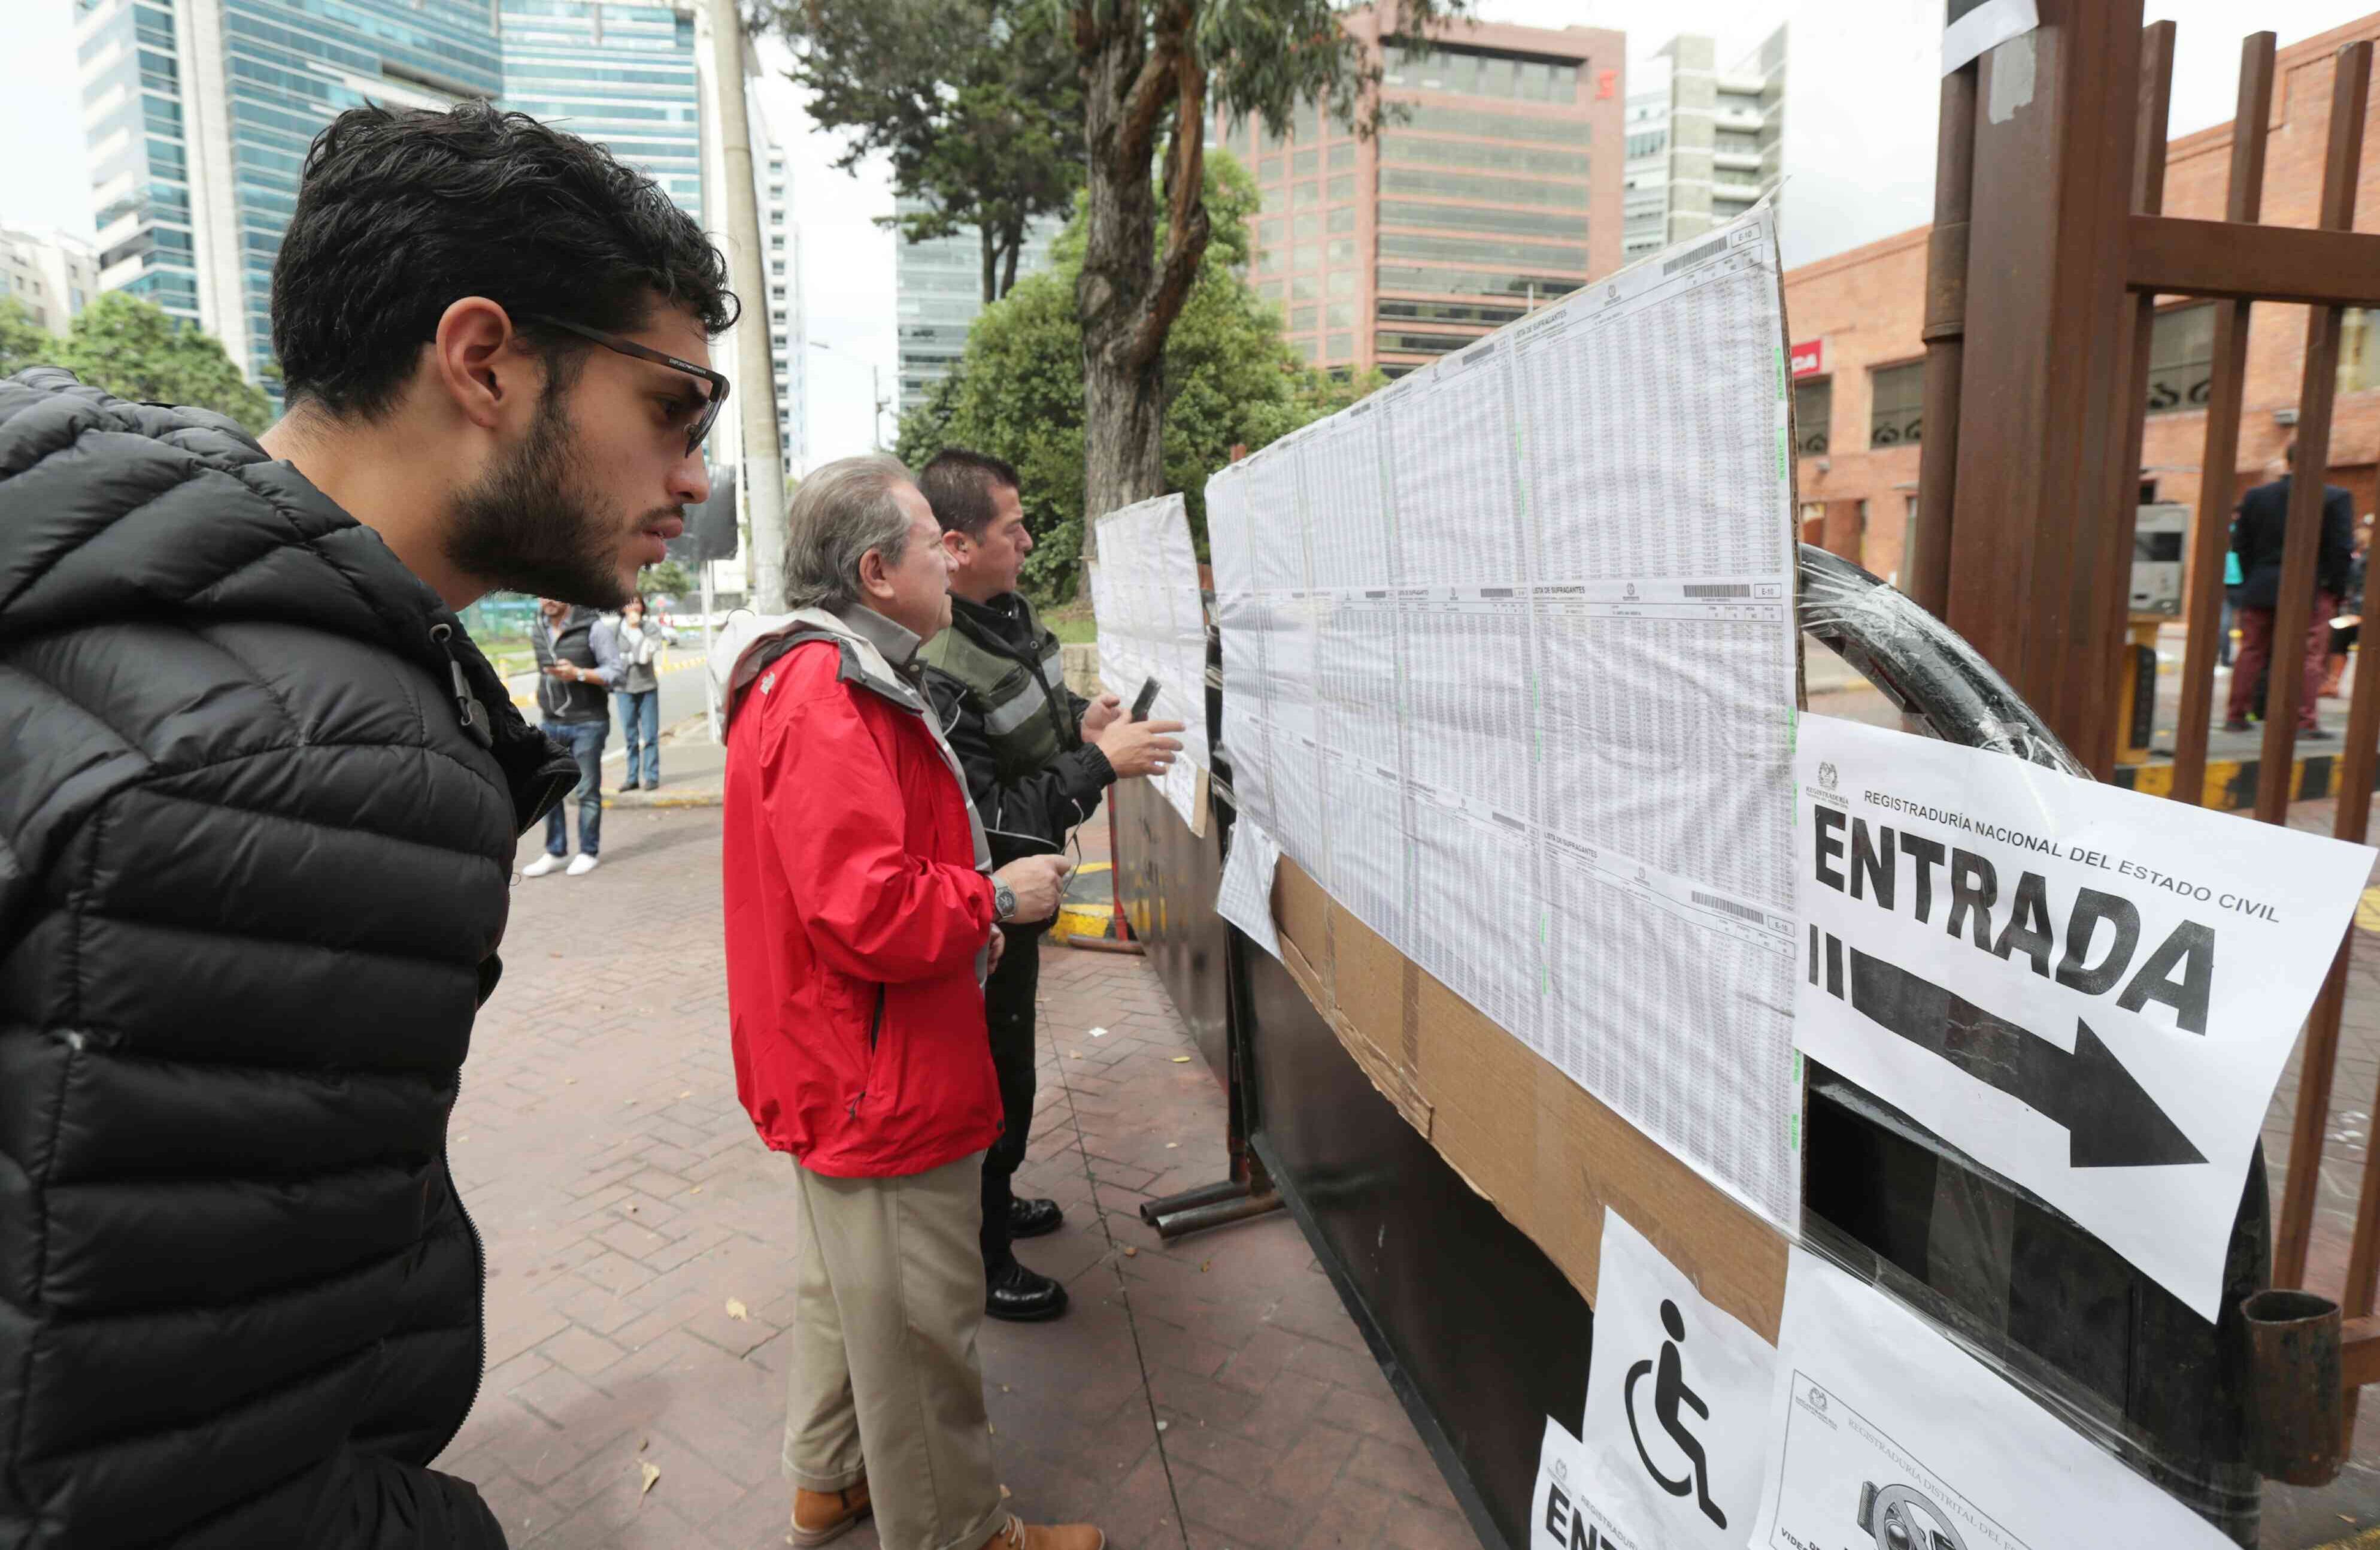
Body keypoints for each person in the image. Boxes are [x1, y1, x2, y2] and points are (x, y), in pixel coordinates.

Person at [0, 102, 730, 1546]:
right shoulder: (314, 765)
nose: (694, 477)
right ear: (483, 362)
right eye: (673, 407)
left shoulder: (106, 565)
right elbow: (163, 1485)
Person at [716, 455, 1102, 1550]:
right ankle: (959, 1532)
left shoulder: (826, 677)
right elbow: (866, 910)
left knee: (851, 1300)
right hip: (873, 1074)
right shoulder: (833, 694)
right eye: (936, 539)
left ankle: (831, 1479)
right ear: (879, 571)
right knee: (923, 1327)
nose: (956, 554)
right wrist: (994, 896)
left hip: (841, 1060)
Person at [915, 450, 1184, 1322]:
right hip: (987, 908)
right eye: (1012, 528)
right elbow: (985, 816)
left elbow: (1032, 722)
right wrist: (1096, 764)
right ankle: (983, 1254)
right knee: (991, 1081)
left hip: (1022, 910)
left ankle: (997, 1204)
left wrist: (1081, 724)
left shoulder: (1003, 617)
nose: (1028, 542)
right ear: (955, 546)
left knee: (1011, 1071)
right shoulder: (939, 663)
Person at [2226, 446, 2355, 738]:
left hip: (2262, 583)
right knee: (2308, 654)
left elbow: (2242, 544)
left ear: (2288, 461)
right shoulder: (2334, 497)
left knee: (2251, 651)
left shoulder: (2257, 497)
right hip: (2311, 587)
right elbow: (2340, 549)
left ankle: (2236, 715)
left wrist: (2254, 577)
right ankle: (2303, 721)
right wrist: (2334, 589)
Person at [526, 593, 624, 873]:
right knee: (548, 787)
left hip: (588, 722)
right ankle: (555, 851)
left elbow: (616, 673)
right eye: (541, 595)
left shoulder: (593, 627)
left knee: (586, 790)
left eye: (553, 593)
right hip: (552, 721)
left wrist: (579, 674)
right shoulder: (538, 628)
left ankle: (588, 851)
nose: (548, 600)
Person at [604, 591, 676, 789]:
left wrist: (634, 637)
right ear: (621, 607)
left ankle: (651, 776)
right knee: (630, 736)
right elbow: (612, 660)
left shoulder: (650, 628)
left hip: (647, 687)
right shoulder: (614, 631)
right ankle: (632, 777)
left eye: (637, 603)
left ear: (643, 607)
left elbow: (644, 657)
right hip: (623, 689)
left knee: (651, 735)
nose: (633, 607)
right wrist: (629, 657)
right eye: (628, 603)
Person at [2320, 517, 2372, 700]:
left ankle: (2334, 682)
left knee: (2342, 639)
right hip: (2353, 609)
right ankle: (2332, 683)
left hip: (2363, 610)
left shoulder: (2368, 557)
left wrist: (2357, 613)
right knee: (2338, 640)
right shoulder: (2360, 555)